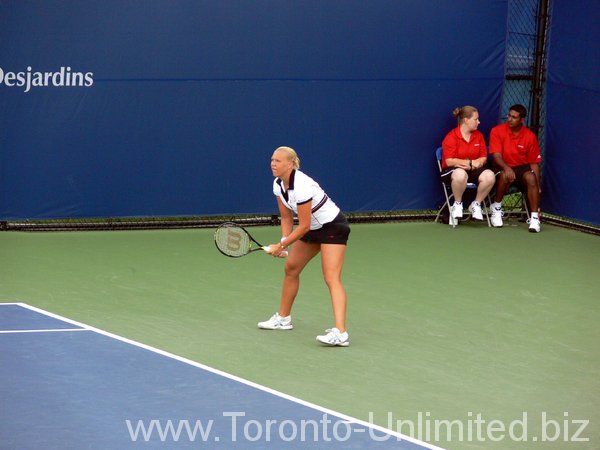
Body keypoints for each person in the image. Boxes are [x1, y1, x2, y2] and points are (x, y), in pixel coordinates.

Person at [257, 146, 351, 347]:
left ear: (290, 164)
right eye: (272, 160)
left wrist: (281, 244)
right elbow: (286, 216)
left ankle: (340, 333)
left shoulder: (301, 185)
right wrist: (284, 242)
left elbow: (305, 225)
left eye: (278, 161)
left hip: (332, 226)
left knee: (331, 277)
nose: (273, 164)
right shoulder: (277, 185)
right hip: (312, 229)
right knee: (291, 268)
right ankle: (283, 319)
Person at [489, 104, 542, 232]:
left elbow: (534, 163)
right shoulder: (497, 131)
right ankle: (496, 208)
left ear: (522, 120)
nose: (509, 119)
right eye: (509, 116)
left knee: (531, 177)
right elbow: (496, 156)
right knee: (505, 175)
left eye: (514, 117)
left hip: (521, 168)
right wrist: (507, 168)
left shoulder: (529, 136)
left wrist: (537, 184)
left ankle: (535, 218)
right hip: (501, 167)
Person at [441, 106, 495, 226]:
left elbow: (483, 157)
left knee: (490, 176)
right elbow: (449, 161)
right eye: (476, 119)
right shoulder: (451, 137)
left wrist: (476, 164)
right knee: (460, 174)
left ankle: (476, 204)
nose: (479, 122)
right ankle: (458, 204)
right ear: (466, 120)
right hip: (453, 171)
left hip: (473, 170)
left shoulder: (479, 136)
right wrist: (469, 163)